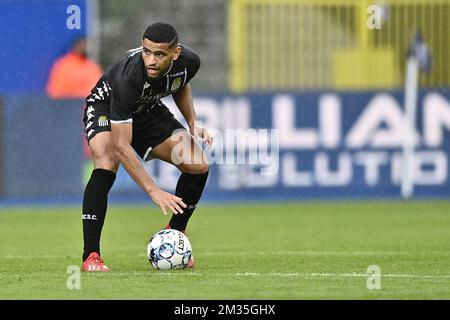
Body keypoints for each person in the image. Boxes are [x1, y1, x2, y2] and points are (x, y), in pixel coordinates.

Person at [81, 22, 212, 272]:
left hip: (146, 109)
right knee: (107, 161)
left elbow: (180, 82)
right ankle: (91, 256)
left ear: (175, 53)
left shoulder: (189, 61)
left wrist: (192, 122)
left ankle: (175, 233)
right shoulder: (127, 78)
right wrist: (153, 190)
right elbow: (121, 145)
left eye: (159, 54)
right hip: (106, 108)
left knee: (197, 164)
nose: (151, 60)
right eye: (146, 51)